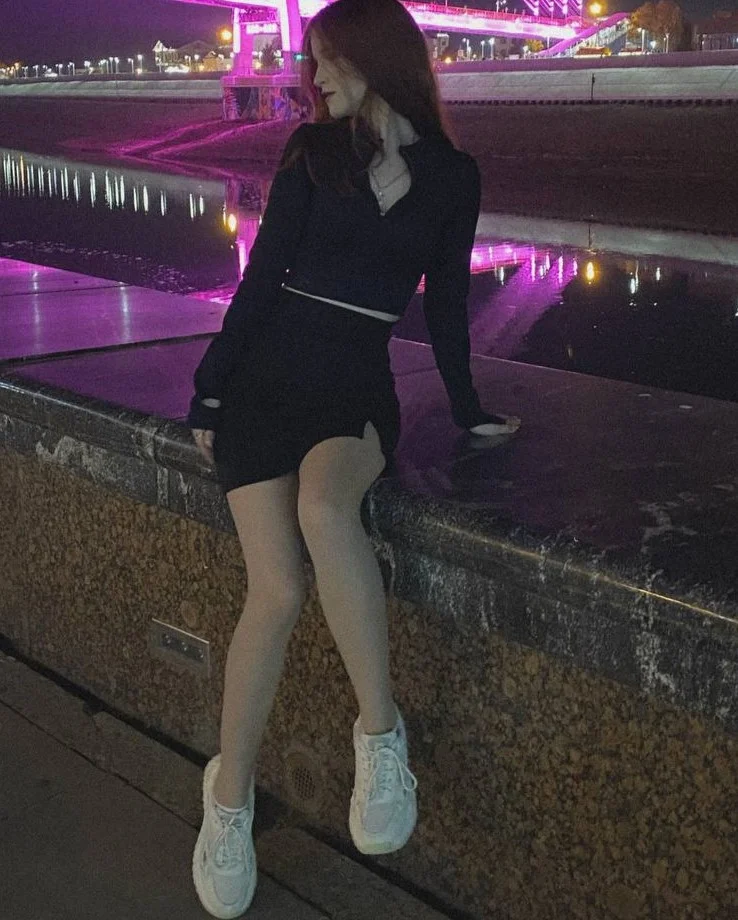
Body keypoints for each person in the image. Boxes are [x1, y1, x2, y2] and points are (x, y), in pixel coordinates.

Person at [188, 0, 520, 916]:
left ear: (377, 56)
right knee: (276, 592)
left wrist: (469, 408)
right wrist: (211, 388)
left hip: (351, 390)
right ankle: (227, 801)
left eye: (328, 58)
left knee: (327, 508)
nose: (313, 76)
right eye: (311, 59)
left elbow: (446, 304)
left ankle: (381, 739)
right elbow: (263, 278)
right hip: (264, 383)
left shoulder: (452, 176)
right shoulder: (311, 152)